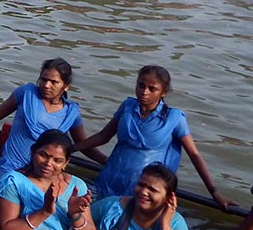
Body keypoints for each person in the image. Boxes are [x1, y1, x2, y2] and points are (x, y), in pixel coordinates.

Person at [74, 65, 236, 210]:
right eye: (141, 85)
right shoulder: (128, 107)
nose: (144, 92)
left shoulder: (174, 118)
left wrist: (214, 192)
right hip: (111, 178)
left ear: (163, 92)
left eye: (152, 89)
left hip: (143, 190)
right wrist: (69, 149)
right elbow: (103, 136)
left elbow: (194, 155)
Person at [0, 57, 106, 175]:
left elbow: (83, 145)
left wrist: (107, 162)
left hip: (41, 174)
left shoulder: (71, 113)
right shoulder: (27, 94)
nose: (46, 85)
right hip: (9, 168)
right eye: (44, 79)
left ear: (66, 86)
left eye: (54, 82)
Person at [0, 129, 95, 230]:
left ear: (66, 163)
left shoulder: (76, 186)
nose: (48, 164)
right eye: (43, 155)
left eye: (57, 161)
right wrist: (44, 212)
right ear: (32, 153)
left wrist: (75, 215)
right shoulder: (14, 183)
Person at [90, 162, 190, 230]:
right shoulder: (111, 206)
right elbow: (81, 224)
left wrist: (165, 225)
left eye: (152, 190)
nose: (143, 192)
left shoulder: (176, 223)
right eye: (141, 185)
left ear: (169, 198)